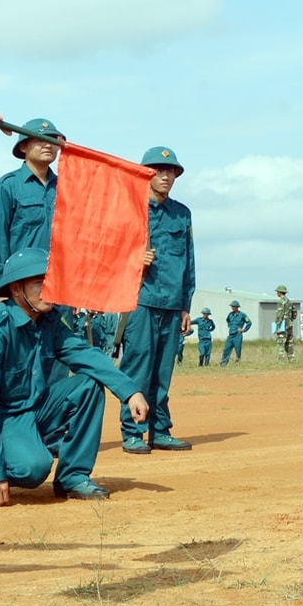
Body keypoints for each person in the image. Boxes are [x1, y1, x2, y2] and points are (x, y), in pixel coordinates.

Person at [0, 248, 149, 503]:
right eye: (40, 283)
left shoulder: (47, 321)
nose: (48, 290)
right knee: (33, 469)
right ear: (16, 289)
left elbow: (85, 355)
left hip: (32, 407)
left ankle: (73, 476)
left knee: (88, 384)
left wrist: (131, 391)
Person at [121, 146, 196, 453]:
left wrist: (185, 306)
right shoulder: (129, 209)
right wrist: (134, 257)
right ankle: (133, 432)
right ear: (145, 174)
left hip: (171, 302)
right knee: (137, 368)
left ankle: (160, 430)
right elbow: (110, 254)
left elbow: (188, 263)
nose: (165, 176)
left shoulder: (182, 214)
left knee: (163, 372)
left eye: (171, 172)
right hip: (140, 300)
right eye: (158, 171)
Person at [0, 117, 64, 282]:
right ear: (23, 146)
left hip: (60, 284)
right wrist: (2, 286)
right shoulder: (6, 187)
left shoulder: (65, 188)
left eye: (53, 141)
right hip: (23, 283)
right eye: (41, 140)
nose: (48, 145)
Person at [273, 285, 299, 360]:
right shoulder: (289, 302)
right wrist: (290, 320)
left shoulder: (281, 302)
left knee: (280, 344)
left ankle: (281, 361)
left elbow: (279, 315)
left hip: (282, 326)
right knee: (289, 343)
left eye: (277, 292)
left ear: (279, 292)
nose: (277, 293)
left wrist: (277, 327)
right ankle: (292, 360)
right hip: (289, 325)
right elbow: (295, 312)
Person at [222, 300, 250, 365]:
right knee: (226, 349)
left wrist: (244, 330)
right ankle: (223, 363)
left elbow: (249, 322)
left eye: (233, 307)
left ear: (237, 307)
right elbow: (227, 320)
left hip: (238, 335)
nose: (232, 308)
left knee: (238, 349)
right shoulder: (230, 314)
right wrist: (229, 325)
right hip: (230, 335)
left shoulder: (242, 315)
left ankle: (238, 362)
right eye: (232, 306)